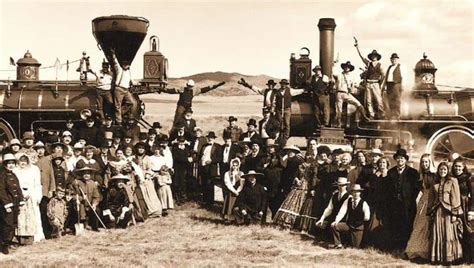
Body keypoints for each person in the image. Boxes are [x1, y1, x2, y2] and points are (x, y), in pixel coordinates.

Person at [427, 162, 464, 265]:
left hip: (448, 212)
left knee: (448, 234)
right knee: (438, 233)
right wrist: (430, 212)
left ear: (447, 171)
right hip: (437, 212)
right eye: (440, 170)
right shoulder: (435, 182)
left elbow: (456, 198)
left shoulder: (452, 181)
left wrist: (454, 214)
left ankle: (449, 258)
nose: (442, 171)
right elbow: (431, 198)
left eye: (444, 170)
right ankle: (438, 258)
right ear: (438, 171)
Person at [386, 148, 421, 249]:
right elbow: (387, 189)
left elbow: (416, 188)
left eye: (402, 158)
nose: (400, 160)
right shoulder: (391, 173)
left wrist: (410, 198)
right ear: (395, 159)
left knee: (407, 225)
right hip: (394, 205)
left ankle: (406, 247)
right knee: (395, 225)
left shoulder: (413, 172)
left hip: (408, 205)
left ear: (405, 160)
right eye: (398, 158)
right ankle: (395, 247)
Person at [405, 153, 437, 261]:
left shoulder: (434, 175)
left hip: (431, 201)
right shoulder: (420, 175)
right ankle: (416, 251)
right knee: (419, 225)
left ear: (430, 162)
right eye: (423, 162)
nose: (424, 164)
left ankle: (425, 252)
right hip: (422, 201)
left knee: (426, 226)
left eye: (426, 162)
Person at [15, 153, 45, 244]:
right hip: (19, 195)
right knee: (20, 217)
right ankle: (21, 237)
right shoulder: (15, 170)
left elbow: (37, 184)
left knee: (34, 215)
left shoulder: (34, 169)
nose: (23, 163)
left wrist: (37, 196)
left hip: (32, 194)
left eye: (25, 161)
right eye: (21, 161)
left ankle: (36, 236)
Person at [330, 184, 371, 249]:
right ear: (351, 193)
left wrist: (359, 220)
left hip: (358, 228)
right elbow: (342, 212)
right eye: (354, 192)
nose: (355, 194)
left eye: (357, 192)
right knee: (334, 226)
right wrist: (336, 221)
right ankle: (338, 245)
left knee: (355, 248)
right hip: (349, 225)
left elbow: (367, 217)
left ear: (360, 193)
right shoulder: (348, 201)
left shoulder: (364, 203)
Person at [0, 154, 25, 254]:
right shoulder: (2, 175)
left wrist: (21, 200)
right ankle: (4, 245)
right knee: (7, 224)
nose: (10, 165)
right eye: (8, 163)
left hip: (15, 203)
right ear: (5, 164)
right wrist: (6, 204)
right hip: (6, 204)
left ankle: (9, 242)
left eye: (12, 163)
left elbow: (18, 188)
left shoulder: (13, 174)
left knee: (13, 223)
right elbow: (1, 191)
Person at [354, 40, 385, 119]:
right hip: (368, 84)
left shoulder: (380, 65)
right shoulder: (368, 63)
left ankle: (382, 114)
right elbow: (361, 57)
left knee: (379, 100)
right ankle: (371, 115)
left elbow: (383, 75)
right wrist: (357, 47)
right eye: (372, 56)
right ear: (371, 57)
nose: (373, 57)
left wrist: (380, 84)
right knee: (368, 101)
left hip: (375, 83)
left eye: (375, 56)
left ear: (377, 57)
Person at [334, 61, 369, 127]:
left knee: (358, 103)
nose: (347, 68)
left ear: (350, 69)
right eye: (346, 67)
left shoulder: (351, 77)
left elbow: (356, 85)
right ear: (343, 68)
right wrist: (335, 64)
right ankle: (339, 124)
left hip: (347, 94)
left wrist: (364, 88)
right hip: (339, 93)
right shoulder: (339, 75)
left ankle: (365, 117)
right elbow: (333, 73)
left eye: (348, 67)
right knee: (339, 109)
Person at [273, 163, 309, 229]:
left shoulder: (313, 166)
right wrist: (297, 180)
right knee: (290, 203)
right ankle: (284, 222)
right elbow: (295, 175)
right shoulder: (300, 166)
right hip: (298, 187)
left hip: (305, 188)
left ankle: (296, 224)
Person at [451, 157, 473, 263]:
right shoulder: (451, 177)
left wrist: (471, 211)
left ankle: (469, 258)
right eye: (455, 166)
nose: (457, 168)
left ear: (463, 167)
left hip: (465, 206)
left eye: (459, 166)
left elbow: (473, 195)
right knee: (455, 231)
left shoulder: (468, 178)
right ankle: (457, 257)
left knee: (467, 232)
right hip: (454, 207)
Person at [68, 167, 102, 231]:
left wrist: (94, 204)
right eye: (84, 174)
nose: (86, 175)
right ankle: (77, 225)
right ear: (81, 174)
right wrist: (81, 198)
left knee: (97, 210)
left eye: (88, 174)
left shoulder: (93, 184)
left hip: (90, 205)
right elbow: (71, 195)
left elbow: (96, 196)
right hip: (79, 204)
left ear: (90, 175)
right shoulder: (76, 183)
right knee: (77, 208)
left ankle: (94, 227)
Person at [110, 49, 138, 125]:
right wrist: (113, 54)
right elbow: (115, 62)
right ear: (122, 65)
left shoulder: (129, 72)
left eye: (127, 64)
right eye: (124, 64)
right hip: (119, 89)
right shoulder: (119, 70)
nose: (126, 66)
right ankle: (119, 121)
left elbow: (131, 80)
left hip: (126, 90)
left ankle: (122, 114)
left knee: (133, 102)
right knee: (117, 105)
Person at [274, 79, 305, 146]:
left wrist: (304, 89)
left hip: (287, 109)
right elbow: (274, 100)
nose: (283, 85)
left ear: (286, 84)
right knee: (279, 123)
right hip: (279, 110)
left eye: (284, 84)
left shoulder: (290, 90)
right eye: (282, 84)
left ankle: (285, 137)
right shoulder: (278, 91)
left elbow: (298, 91)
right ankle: (279, 137)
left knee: (287, 124)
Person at [198, 131, 222, 206]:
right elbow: (200, 156)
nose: (210, 139)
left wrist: (212, 161)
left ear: (214, 139)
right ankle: (205, 201)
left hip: (211, 168)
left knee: (210, 185)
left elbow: (220, 158)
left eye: (211, 138)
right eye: (209, 138)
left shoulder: (217, 146)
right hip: (203, 167)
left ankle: (210, 202)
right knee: (204, 184)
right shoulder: (204, 146)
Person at [382, 53, 407, 120]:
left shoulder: (401, 67)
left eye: (395, 59)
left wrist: (403, 85)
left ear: (398, 60)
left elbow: (404, 77)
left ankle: (397, 115)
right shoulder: (389, 67)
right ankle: (392, 114)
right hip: (389, 85)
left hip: (396, 85)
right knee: (390, 100)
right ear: (391, 60)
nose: (393, 60)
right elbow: (386, 77)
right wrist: (384, 86)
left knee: (396, 100)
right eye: (392, 59)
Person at [171, 137, 192, 203]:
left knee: (184, 182)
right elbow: (177, 158)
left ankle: (183, 197)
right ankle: (178, 197)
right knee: (177, 182)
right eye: (180, 142)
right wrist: (187, 159)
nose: (181, 143)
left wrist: (190, 159)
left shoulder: (186, 149)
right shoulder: (175, 149)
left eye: (182, 142)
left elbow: (190, 156)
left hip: (185, 168)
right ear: (178, 142)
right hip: (177, 168)